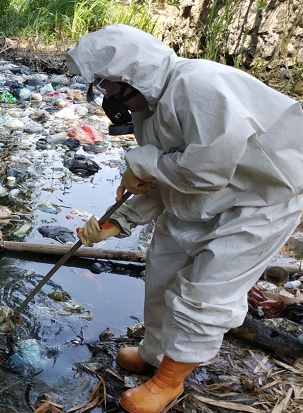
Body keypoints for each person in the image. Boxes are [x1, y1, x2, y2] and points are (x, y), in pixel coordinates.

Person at [67, 24, 303, 413]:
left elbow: (204, 170)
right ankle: (155, 353)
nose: (109, 98)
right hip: (195, 201)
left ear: (134, 75)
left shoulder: (200, 86)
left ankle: (168, 381)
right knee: (162, 275)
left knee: (205, 293)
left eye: (110, 87)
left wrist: (140, 164)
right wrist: (119, 221)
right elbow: (163, 178)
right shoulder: (150, 107)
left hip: (255, 202)